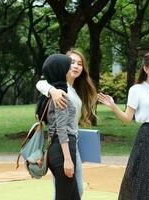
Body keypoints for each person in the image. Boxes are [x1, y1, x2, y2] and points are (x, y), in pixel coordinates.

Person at [98, 51, 149, 200]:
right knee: (144, 178)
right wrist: (113, 106)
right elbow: (127, 118)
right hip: (146, 136)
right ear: (146, 68)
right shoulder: (136, 90)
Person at [36, 49, 97, 198]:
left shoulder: (74, 89)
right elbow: (40, 83)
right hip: (62, 144)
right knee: (63, 193)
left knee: (75, 191)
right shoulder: (59, 90)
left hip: (71, 143)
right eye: (71, 63)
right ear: (63, 67)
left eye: (80, 63)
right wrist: (52, 90)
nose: (76, 66)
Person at [37, 53, 79, 199]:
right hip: (63, 151)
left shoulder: (52, 93)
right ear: (60, 71)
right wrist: (68, 159)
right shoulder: (60, 95)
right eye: (68, 67)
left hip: (57, 149)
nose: (71, 69)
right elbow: (61, 129)